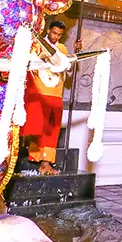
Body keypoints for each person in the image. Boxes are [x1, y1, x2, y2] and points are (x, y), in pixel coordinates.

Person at [24, 21, 82, 175]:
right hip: (39, 93)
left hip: (56, 94)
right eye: (54, 33)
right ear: (48, 30)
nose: (56, 36)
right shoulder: (36, 45)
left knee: (53, 129)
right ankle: (38, 159)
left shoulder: (62, 49)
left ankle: (46, 162)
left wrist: (74, 55)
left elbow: (67, 71)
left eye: (59, 34)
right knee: (37, 127)